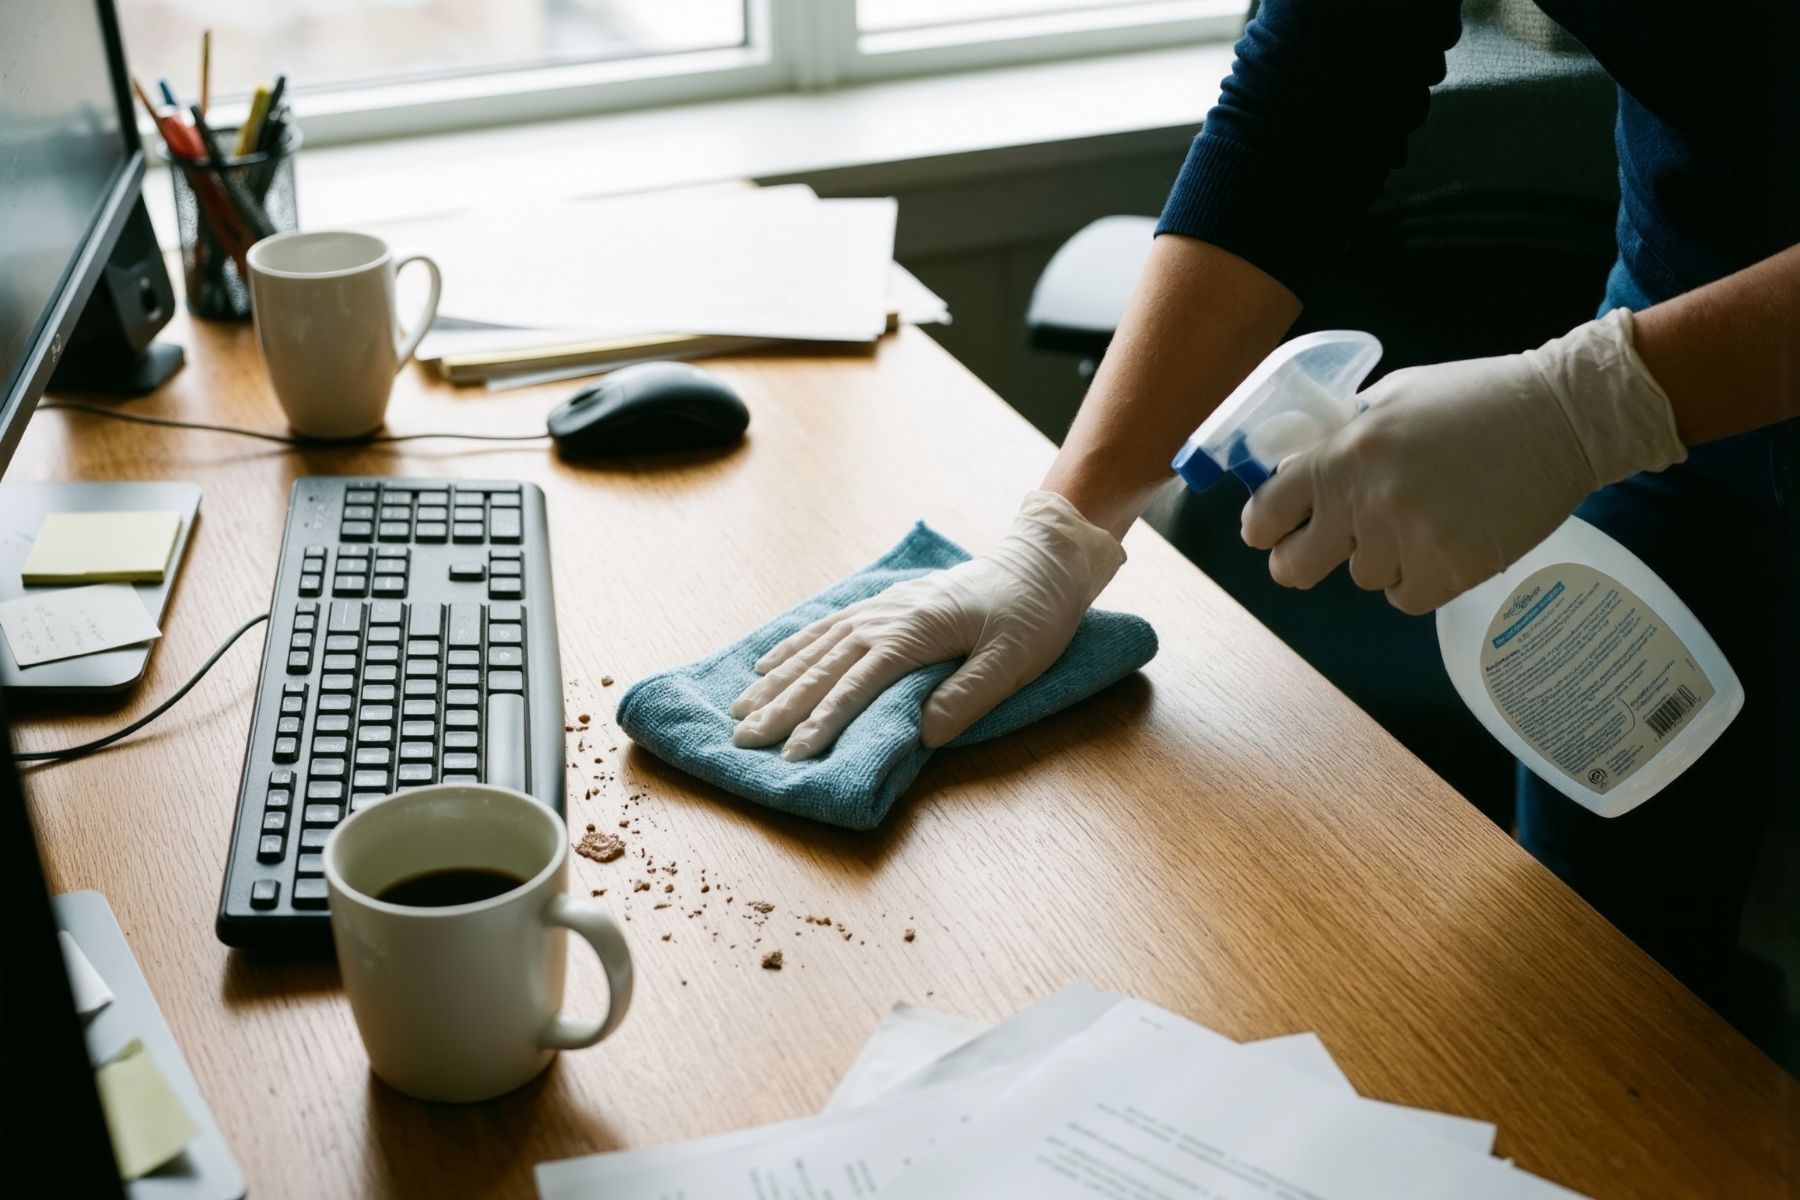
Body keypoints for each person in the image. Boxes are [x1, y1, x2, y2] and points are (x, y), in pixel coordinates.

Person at [731, 2, 1799, 1043]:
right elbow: (1311, 94)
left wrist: (1597, 403)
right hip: (1673, 399)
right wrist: (1064, 532)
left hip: (1668, 382)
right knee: (1599, 995)